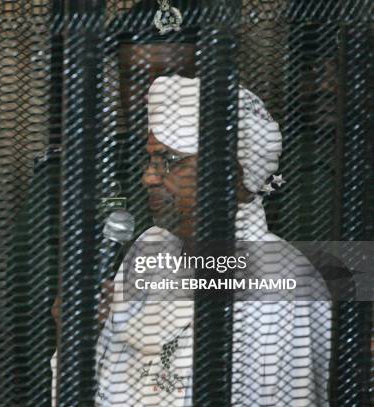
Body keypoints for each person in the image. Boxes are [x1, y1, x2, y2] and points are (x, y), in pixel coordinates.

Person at [92, 1, 332, 405]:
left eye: (169, 161)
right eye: (151, 160)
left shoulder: (283, 285)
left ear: (233, 174)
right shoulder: (149, 249)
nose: (148, 177)